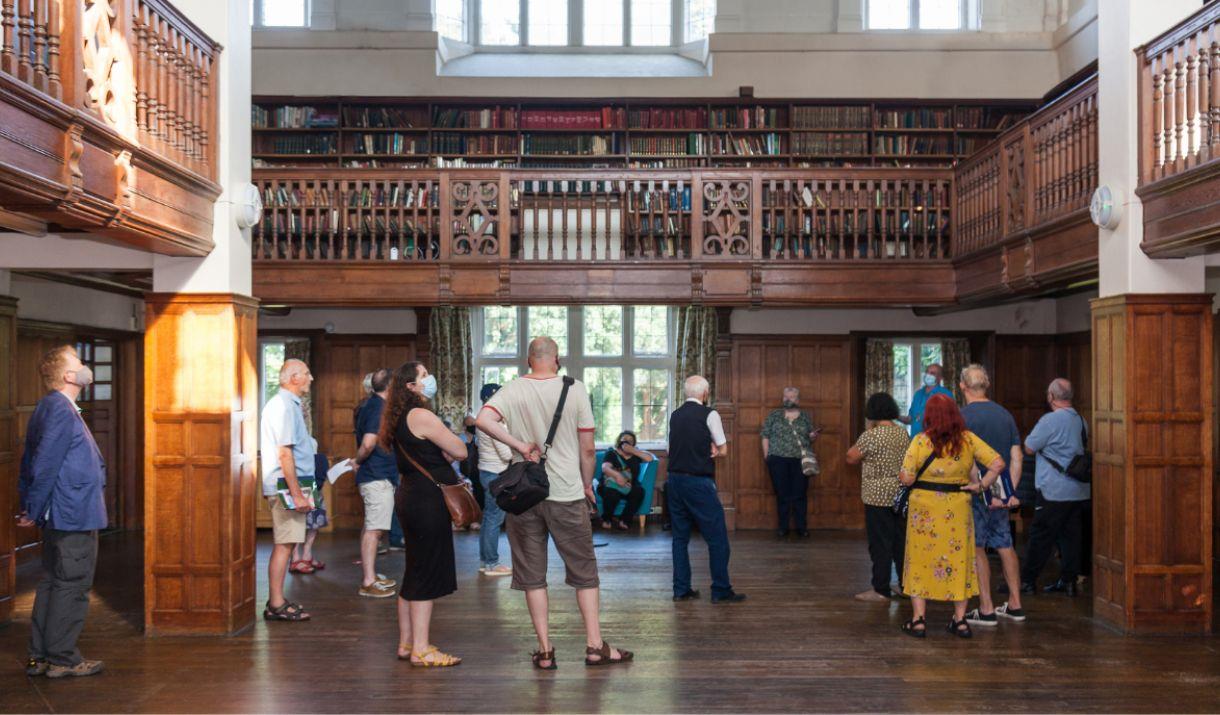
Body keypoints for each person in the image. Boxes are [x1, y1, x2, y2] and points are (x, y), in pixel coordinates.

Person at [476, 337, 633, 670]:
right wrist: (588, 484)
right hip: (566, 493)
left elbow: (483, 421)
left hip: (525, 495)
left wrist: (519, 443)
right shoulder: (574, 389)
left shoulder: (512, 388)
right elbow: (588, 448)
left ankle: (545, 651)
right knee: (584, 572)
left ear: (528, 358)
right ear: (556, 359)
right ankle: (594, 646)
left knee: (532, 575)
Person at [17, 345, 107, 678]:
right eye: (79, 364)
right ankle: (62, 659)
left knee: (54, 582)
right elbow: (42, 465)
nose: (85, 368)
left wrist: (32, 506)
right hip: (72, 514)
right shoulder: (58, 409)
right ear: (69, 376)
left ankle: (40, 656)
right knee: (71, 585)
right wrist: (33, 508)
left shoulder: (50, 406)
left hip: (63, 512)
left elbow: (31, 461)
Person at [378, 360, 469, 666]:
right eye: (424, 375)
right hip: (427, 500)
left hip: (410, 496)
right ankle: (422, 648)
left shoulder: (399, 416)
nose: (430, 379)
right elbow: (461, 450)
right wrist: (451, 442)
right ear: (411, 386)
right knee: (426, 573)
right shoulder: (421, 414)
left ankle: (406, 643)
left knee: (414, 570)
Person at [899, 393, 1004, 639]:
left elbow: (906, 477)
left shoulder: (920, 441)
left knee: (920, 560)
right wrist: (981, 486)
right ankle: (960, 621)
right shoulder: (967, 440)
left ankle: (918, 621)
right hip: (957, 508)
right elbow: (998, 463)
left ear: (929, 416)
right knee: (959, 561)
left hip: (923, 509)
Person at [957, 364, 1027, 626]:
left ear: (963, 386)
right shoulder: (1005, 415)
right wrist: (1009, 492)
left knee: (977, 547)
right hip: (1002, 488)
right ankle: (1015, 604)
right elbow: (1016, 457)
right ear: (986, 386)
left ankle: (986, 608)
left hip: (976, 490)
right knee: (1005, 544)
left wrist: (981, 486)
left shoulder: (962, 417)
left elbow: (970, 459)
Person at [667, 375, 745, 605]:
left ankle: (681, 590)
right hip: (698, 482)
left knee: (679, 538)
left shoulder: (675, 415)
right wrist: (712, 450)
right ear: (705, 393)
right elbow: (723, 449)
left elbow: (672, 448)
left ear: (685, 393)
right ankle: (721, 590)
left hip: (674, 481)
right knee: (717, 538)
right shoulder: (710, 414)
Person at [1021, 378, 1090, 596]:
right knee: (1071, 538)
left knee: (1040, 536)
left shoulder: (1049, 421)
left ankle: (1028, 581)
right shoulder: (1081, 420)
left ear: (1051, 397)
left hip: (1053, 490)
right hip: (1078, 490)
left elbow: (1030, 448)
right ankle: (1068, 581)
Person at [260, 358, 317, 622]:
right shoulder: (283, 406)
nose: (310, 378)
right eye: (307, 373)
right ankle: (276, 603)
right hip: (288, 485)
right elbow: (284, 453)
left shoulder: (288, 404)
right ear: (294, 377)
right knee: (285, 544)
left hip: (296, 482)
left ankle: (277, 600)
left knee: (290, 541)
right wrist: (295, 493)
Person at [845, 392, 910, 602]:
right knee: (901, 542)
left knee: (880, 543)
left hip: (877, 497)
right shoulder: (902, 433)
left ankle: (880, 589)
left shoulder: (871, 435)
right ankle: (905, 585)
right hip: (900, 495)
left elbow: (851, 457)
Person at [352, 368, 399, 598]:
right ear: (390, 387)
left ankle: (370, 575)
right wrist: (358, 461)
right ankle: (368, 581)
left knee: (371, 526)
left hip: (377, 475)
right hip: (376, 476)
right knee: (374, 530)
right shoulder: (378, 408)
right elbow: (369, 443)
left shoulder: (372, 404)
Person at [760, 387, 820, 538]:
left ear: (798, 400)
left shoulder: (805, 417)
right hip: (778, 459)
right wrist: (767, 456)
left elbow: (810, 437)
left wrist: (813, 436)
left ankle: (801, 527)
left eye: (792, 397)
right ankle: (783, 527)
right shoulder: (774, 415)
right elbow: (765, 435)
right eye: (786, 396)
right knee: (782, 494)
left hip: (800, 461)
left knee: (800, 494)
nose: (788, 399)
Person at [475, 382, 513, 576]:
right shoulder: (493, 423)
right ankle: (491, 563)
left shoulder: (482, 418)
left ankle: (485, 561)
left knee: (489, 518)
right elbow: (506, 454)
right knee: (494, 520)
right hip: (496, 475)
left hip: (486, 472)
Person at [598, 430, 655, 530]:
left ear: (633, 443)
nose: (627, 442)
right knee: (612, 494)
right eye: (624, 439)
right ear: (619, 441)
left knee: (639, 492)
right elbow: (605, 468)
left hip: (629, 486)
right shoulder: (611, 453)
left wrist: (633, 451)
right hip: (611, 484)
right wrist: (618, 476)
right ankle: (607, 519)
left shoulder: (636, 455)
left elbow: (650, 459)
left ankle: (624, 520)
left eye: (630, 440)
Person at [900, 363, 954, 437]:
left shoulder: (946, 394)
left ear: (940, 377)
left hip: (935, 443)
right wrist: (895, 416)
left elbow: (951, 422)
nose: (928, 375)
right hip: (916, 443)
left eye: (932, 373)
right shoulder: (918, 394)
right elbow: (910, 419)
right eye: (927, 372)